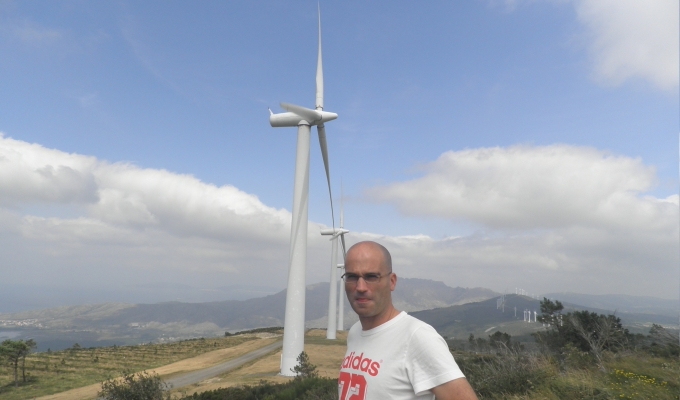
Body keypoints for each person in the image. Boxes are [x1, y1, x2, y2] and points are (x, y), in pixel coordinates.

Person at [338, 241, 478, 400]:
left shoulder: (417, 337)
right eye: (352, 277)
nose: (361, 287)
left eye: (371, 276)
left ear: (392, 281)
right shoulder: (356, 332)